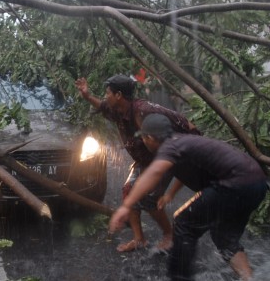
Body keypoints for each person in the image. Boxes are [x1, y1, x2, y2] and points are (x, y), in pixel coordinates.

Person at [109, 113, 268, 281]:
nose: (143, 142)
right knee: (224, 237)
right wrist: (170, 194)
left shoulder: (170, 146)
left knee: (183, 222)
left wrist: (126, 206)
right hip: (257, 184)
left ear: (150, 137)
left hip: (236, 184)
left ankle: (179, 277)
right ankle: (248, 278)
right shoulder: (181, 142)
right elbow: (181, 172)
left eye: (144, 138)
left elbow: (154, 172)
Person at [75, 74, 200, 252]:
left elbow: (181, 130)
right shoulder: (117, 109)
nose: (105, 96)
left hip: (165, 157)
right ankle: (139, 239)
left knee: (149, 198)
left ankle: (169, 234)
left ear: (118, 95)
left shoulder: (143, 112)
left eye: (107, 93)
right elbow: (102, 106)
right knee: (129, 192)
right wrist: (87, 95)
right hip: (145, 160)